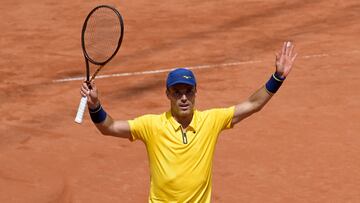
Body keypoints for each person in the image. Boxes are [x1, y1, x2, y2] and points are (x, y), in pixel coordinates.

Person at [80, 41, 297, 202]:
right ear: (168, 94)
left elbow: (252, 104)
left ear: (195, 93)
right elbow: (109, 127)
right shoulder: (151, 126)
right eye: (177, 92)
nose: (183, 97)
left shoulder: (211, 120)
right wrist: (95, 105)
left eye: (188, 91)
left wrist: (277, 78)